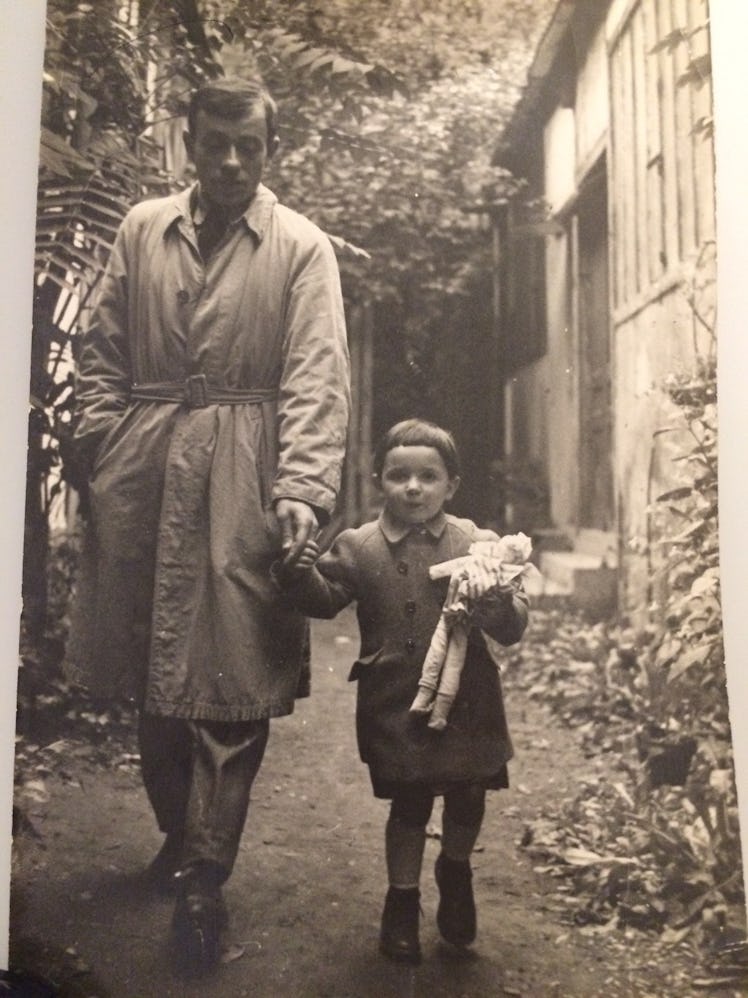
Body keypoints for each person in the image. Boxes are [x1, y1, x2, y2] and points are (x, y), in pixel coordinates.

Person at [66, 76, 350, 973]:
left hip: (247, 472)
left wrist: (300, 484)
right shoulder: (143, 229)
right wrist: (102, 436)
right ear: (186, 139)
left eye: (249, 146)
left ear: (272, 149)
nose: (230, 161)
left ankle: (203, 878)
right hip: (145, 466)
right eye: (214, 143)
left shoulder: (300, 248)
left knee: (230, 681)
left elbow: (317, 374)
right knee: (155, 675)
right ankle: (178, 832)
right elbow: (102, 346)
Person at [275, 419, 528, 964]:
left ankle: (455, 872)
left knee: (469, 795)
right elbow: (324, 599)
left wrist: (496, 604)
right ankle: (402, 900)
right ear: (377, 481)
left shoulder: (475, 542)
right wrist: (297, 575)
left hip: (470, 703)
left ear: (451, 485)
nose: (413, 487)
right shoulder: (359, 546)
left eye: (428, 477)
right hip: (395, 702)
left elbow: (513, 624)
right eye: (399, 475)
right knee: (409, 805)